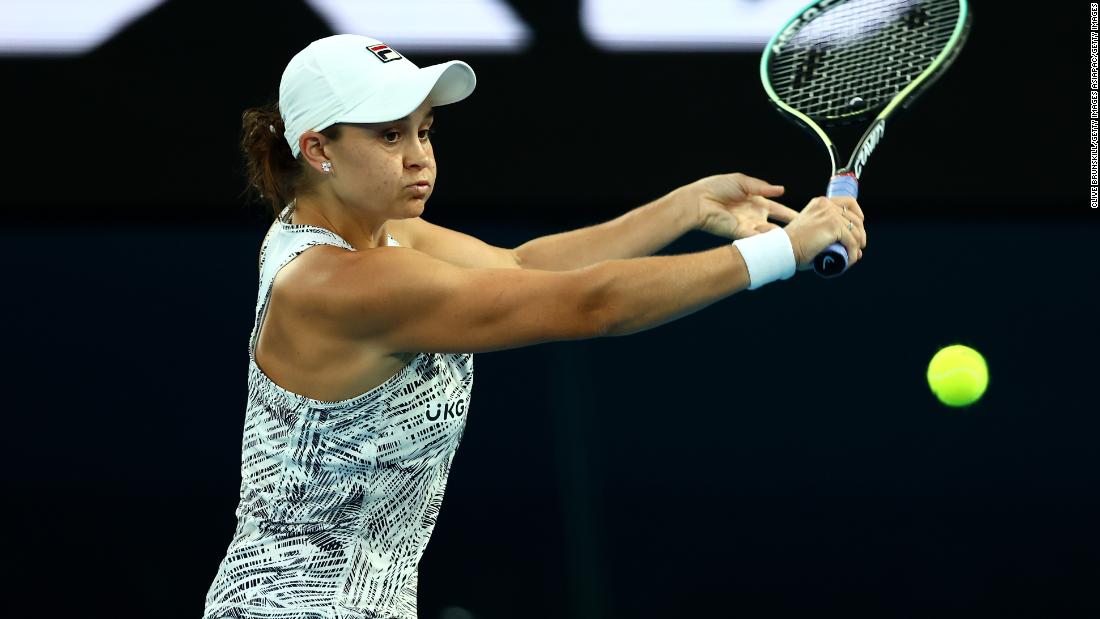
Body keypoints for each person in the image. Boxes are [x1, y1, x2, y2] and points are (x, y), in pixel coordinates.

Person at [203, 33, 867, 619]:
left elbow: (521, 262)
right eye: (388, 135)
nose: (418, 157)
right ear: (318, 149)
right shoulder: (342, 282)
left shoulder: (370, 234)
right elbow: (590, 305)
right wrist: (783, 251)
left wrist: (686, 205)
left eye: (424, 130)